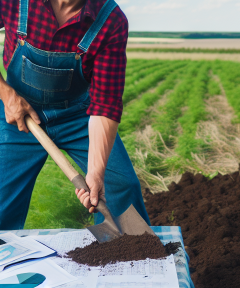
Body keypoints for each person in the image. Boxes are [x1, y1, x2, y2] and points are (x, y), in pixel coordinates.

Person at [0, 0, 150, 230]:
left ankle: (129, 256)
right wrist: (6, 94)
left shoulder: (110, 20)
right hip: (18, 114)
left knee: (120, 186)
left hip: (78, 116)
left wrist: (96, 173)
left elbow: (105, 104)